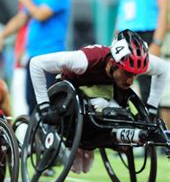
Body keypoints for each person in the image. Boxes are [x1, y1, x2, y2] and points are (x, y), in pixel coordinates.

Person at [29, 29, 169, 174]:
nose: (130, 80)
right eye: (127, 73)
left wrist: (151, 108)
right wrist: (44, 107)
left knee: (82, 168)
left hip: (99, 102)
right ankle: (76, 144)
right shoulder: (83, 60)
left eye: (135, 75)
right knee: (77, 167)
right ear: (112, 63)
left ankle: (91, 142)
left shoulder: (132, 62)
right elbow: (36, 64)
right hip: (67, 101)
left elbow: (164, 69)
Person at [0, 0, 70, 115]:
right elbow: (20, 19)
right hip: (33, 57)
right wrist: (1, 36)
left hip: (51, 57)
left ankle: (52, 136)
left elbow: (41, 15)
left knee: (50, 103)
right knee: (32, 102)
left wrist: (26, 0)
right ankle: (36, 137)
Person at [116, 0, 169, 104]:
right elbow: (122, 8)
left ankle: (151, 123)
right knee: (121, 83)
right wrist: (114, 38)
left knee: (148, 87)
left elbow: (164, 9)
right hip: (126, 34)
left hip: (148, 34)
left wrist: (157, 42)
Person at [0, 0, 41, 116]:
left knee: (22, 101)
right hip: (24, 51)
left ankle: (23, 136)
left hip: (29, 53)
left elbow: (30, 22)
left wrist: (24, 48)